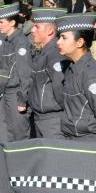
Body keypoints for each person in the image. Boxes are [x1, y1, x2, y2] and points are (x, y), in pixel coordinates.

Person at [55, 14, 96, 140]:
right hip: (72, 138)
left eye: (64, 38)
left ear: (80, 42)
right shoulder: (72, 67)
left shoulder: (92, 76)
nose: (58, 42)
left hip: (90, 142)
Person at [0, 5, 32, 141]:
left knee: (19, 133)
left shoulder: (20, 42)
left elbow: (24, 72)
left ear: (12, 23)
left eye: (1, 22)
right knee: (9, 132)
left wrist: (22, 100)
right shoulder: (8, 40)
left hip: (16, 93)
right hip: (8, 91)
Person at [28, 8, 68, 137]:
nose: (32, 30)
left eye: (37, 27)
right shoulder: (44, 52)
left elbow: (60, 87)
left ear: (50, 31)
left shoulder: (54, 54)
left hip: (53, 121)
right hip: (41, 118)